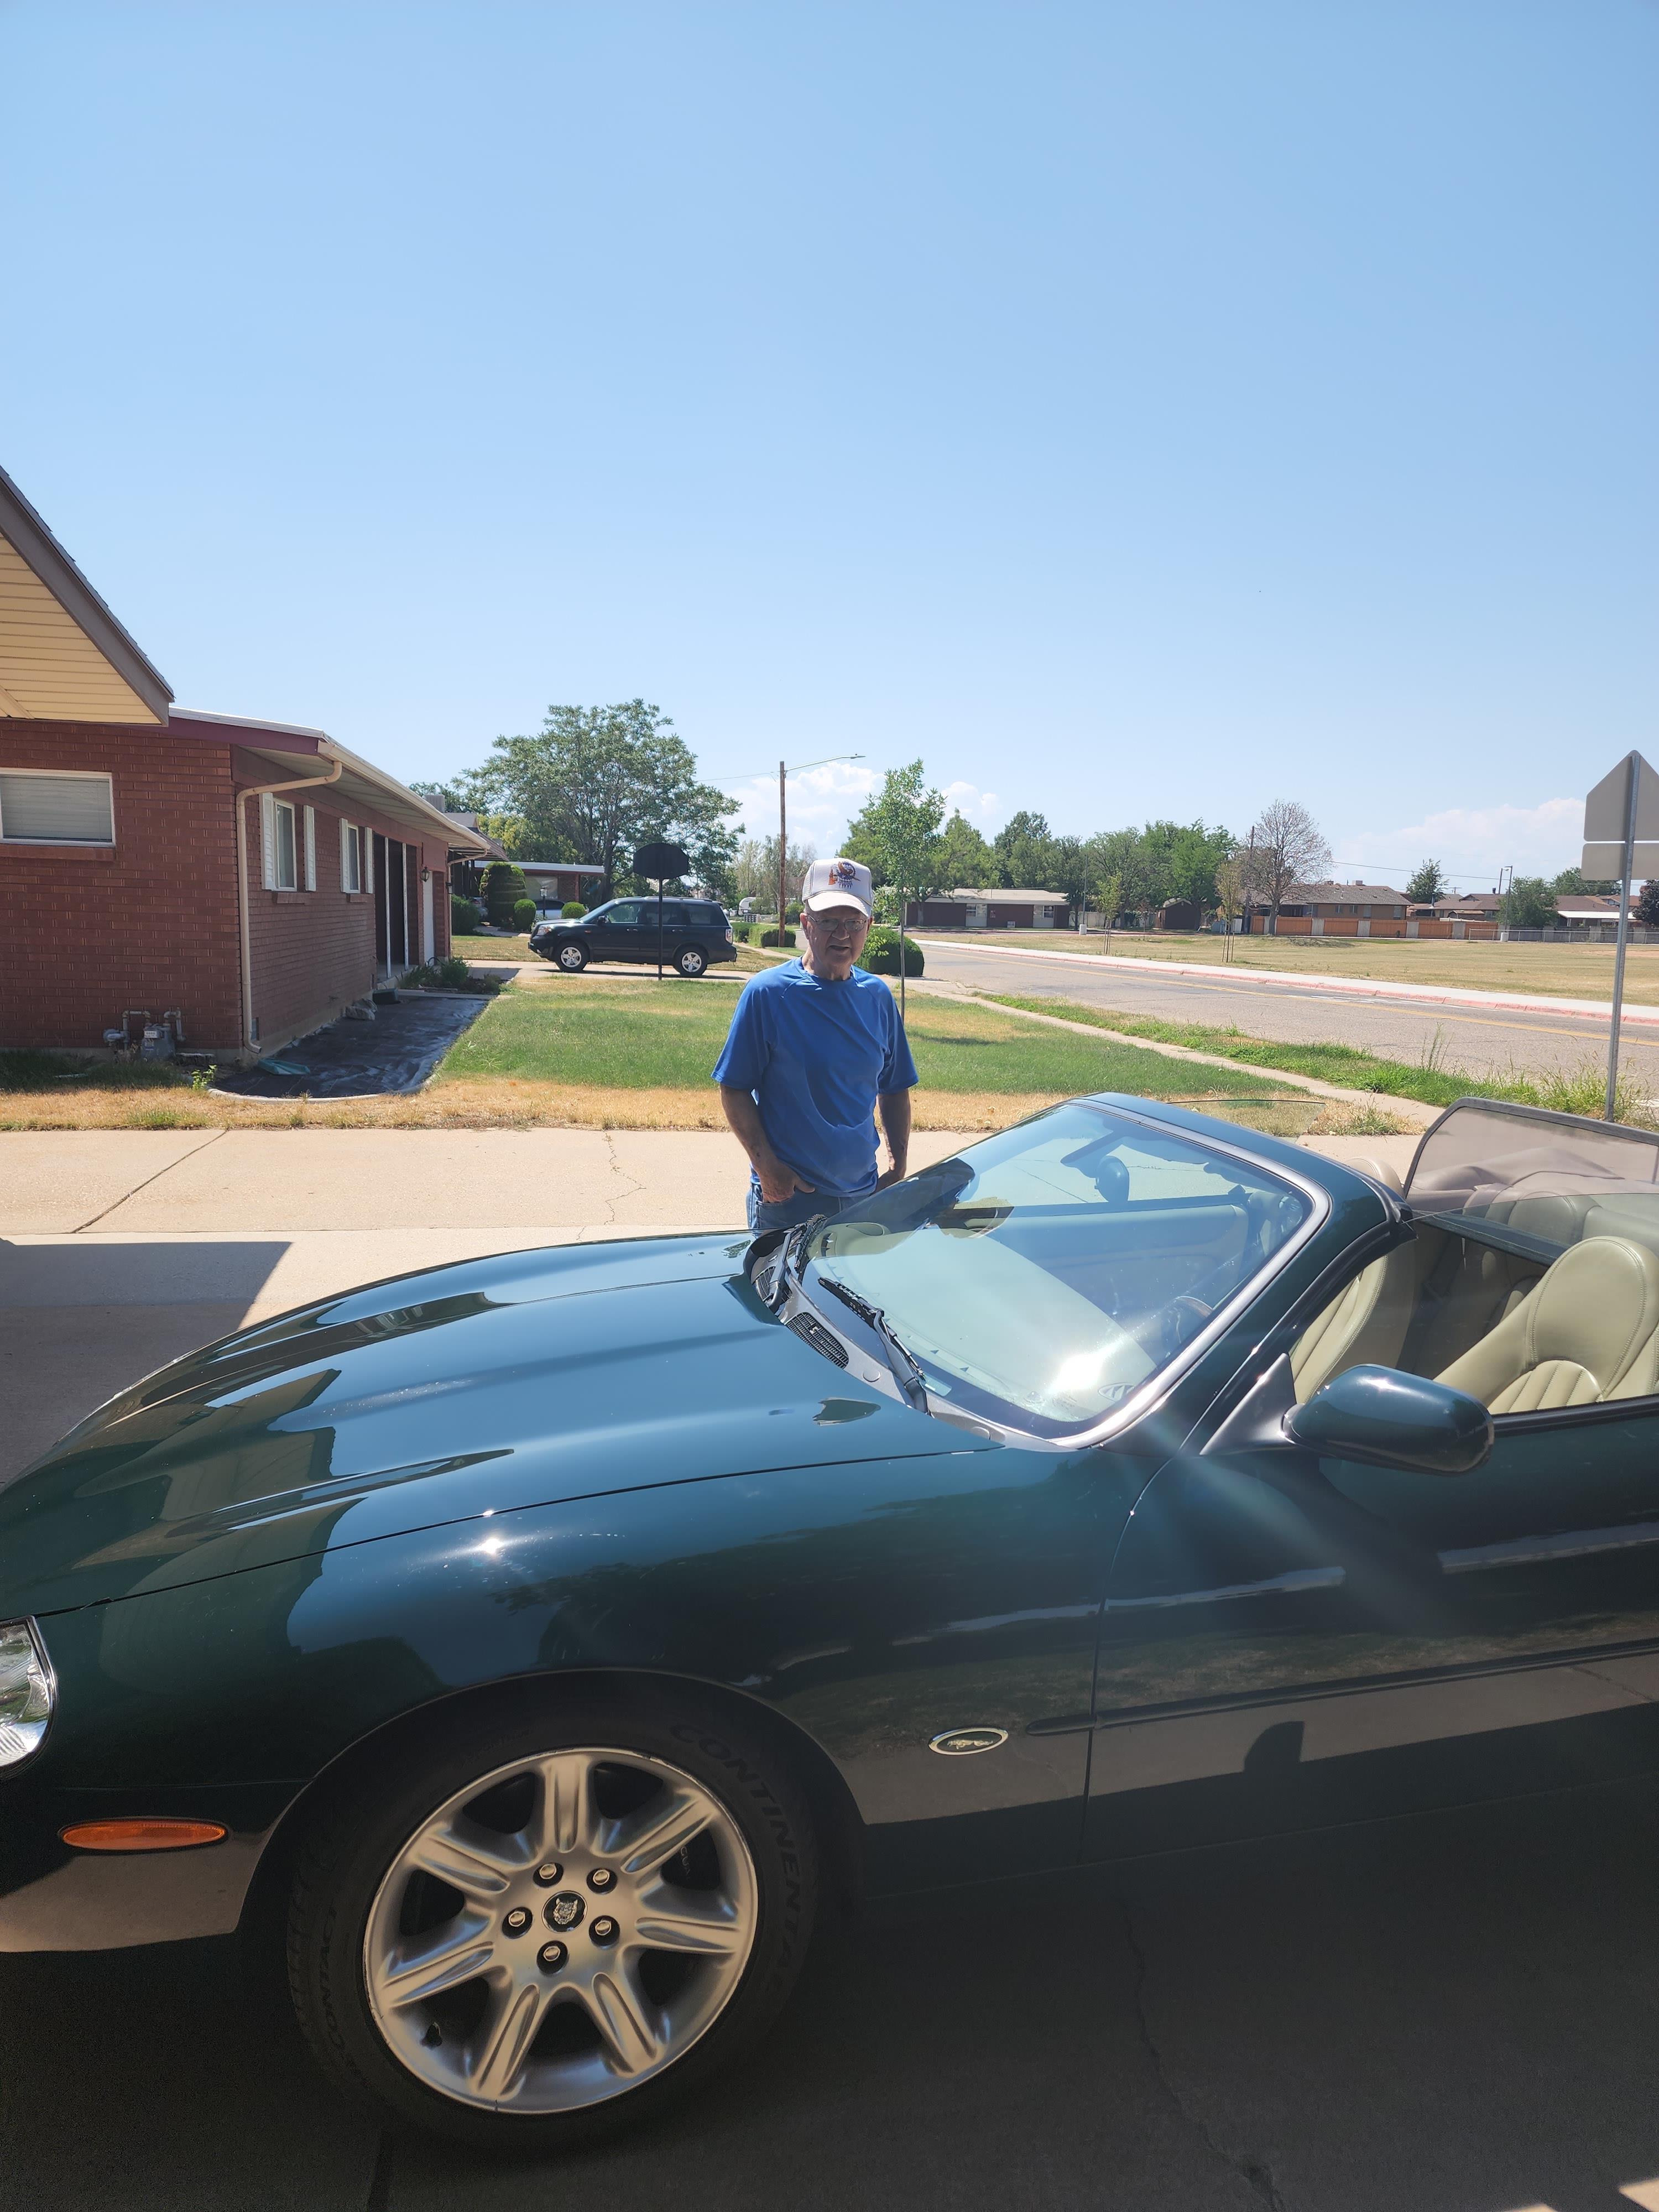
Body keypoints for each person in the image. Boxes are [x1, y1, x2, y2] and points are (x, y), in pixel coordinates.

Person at [713, 856, 918, 1233]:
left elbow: (895, 1087)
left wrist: (898, 1165)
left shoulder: (877, 997)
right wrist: (768, 1170)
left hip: (863, 1198)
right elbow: (734, 1088)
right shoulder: (769, 994)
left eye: (853, 922)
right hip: (789, 1202)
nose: (842, 934)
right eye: (828, 921)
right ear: (806, 924)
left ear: (869, 926)